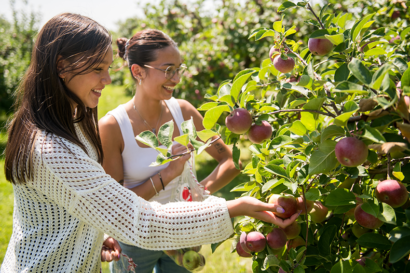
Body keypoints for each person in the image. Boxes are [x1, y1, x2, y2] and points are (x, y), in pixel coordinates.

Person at [1, 13, 299, 273]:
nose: (107, 80)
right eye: (97, 69)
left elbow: (78, 203)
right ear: (62, 66)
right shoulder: (51, 149)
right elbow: (139, 219)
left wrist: (94, 233)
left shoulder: (74, 122)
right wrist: (235, 207)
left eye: (108, 68)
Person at [98, 29, 250, 273]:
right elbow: (119, 206)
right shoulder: (113, 127)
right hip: (137, 236)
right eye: (168, 70)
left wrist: (196, 194)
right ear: (138, 71)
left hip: (183, 231)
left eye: (179, 69)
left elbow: (229, 160)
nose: (177, 78)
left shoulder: (184, 112)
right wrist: (168, 174)